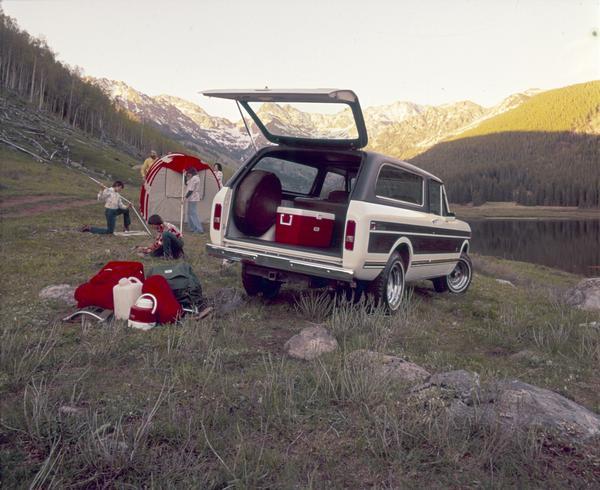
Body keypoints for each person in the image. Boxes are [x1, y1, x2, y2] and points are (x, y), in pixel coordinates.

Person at [184, 167, 204, 233]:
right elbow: (186, 183)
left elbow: (191, 190)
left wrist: (185, 197)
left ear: (191, 173)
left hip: (193, 198)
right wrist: (184, 175)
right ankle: (192, 228)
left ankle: (199, 229)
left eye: (188, 174)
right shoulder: (193, 178)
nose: (188, 175)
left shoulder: (195, 178)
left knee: (193, 214)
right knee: (190, 213)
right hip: (192, 198)